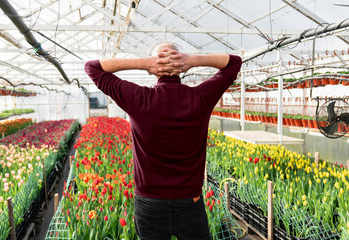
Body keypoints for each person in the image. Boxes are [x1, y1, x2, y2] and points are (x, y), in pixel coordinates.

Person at [84, 42, 242, 240]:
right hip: (190, 202)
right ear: (181, 67)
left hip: (149, 204)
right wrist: (191, 60)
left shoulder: (139, 99)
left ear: (153, 69)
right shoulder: (201, 97)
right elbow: (234, 63)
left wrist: (144, 63)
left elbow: (92, 68)